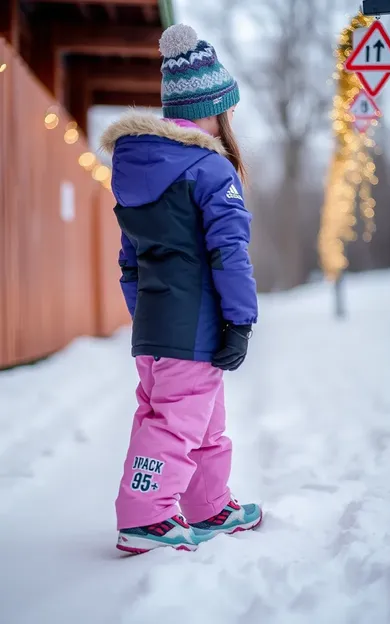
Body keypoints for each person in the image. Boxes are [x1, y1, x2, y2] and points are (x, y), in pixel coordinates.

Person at [101, 23, 261, 555]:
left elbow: (130, 263)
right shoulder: (211, 170)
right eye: (228, 110)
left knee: (202, 420)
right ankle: (145, 519)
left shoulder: (139, 172)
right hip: (192, 325)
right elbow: (229, 252)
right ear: (211, 110)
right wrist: (239, 320)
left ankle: (208, 504)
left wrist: (148, 318)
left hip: (157, 325)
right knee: (174, 424)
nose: (230, 121)